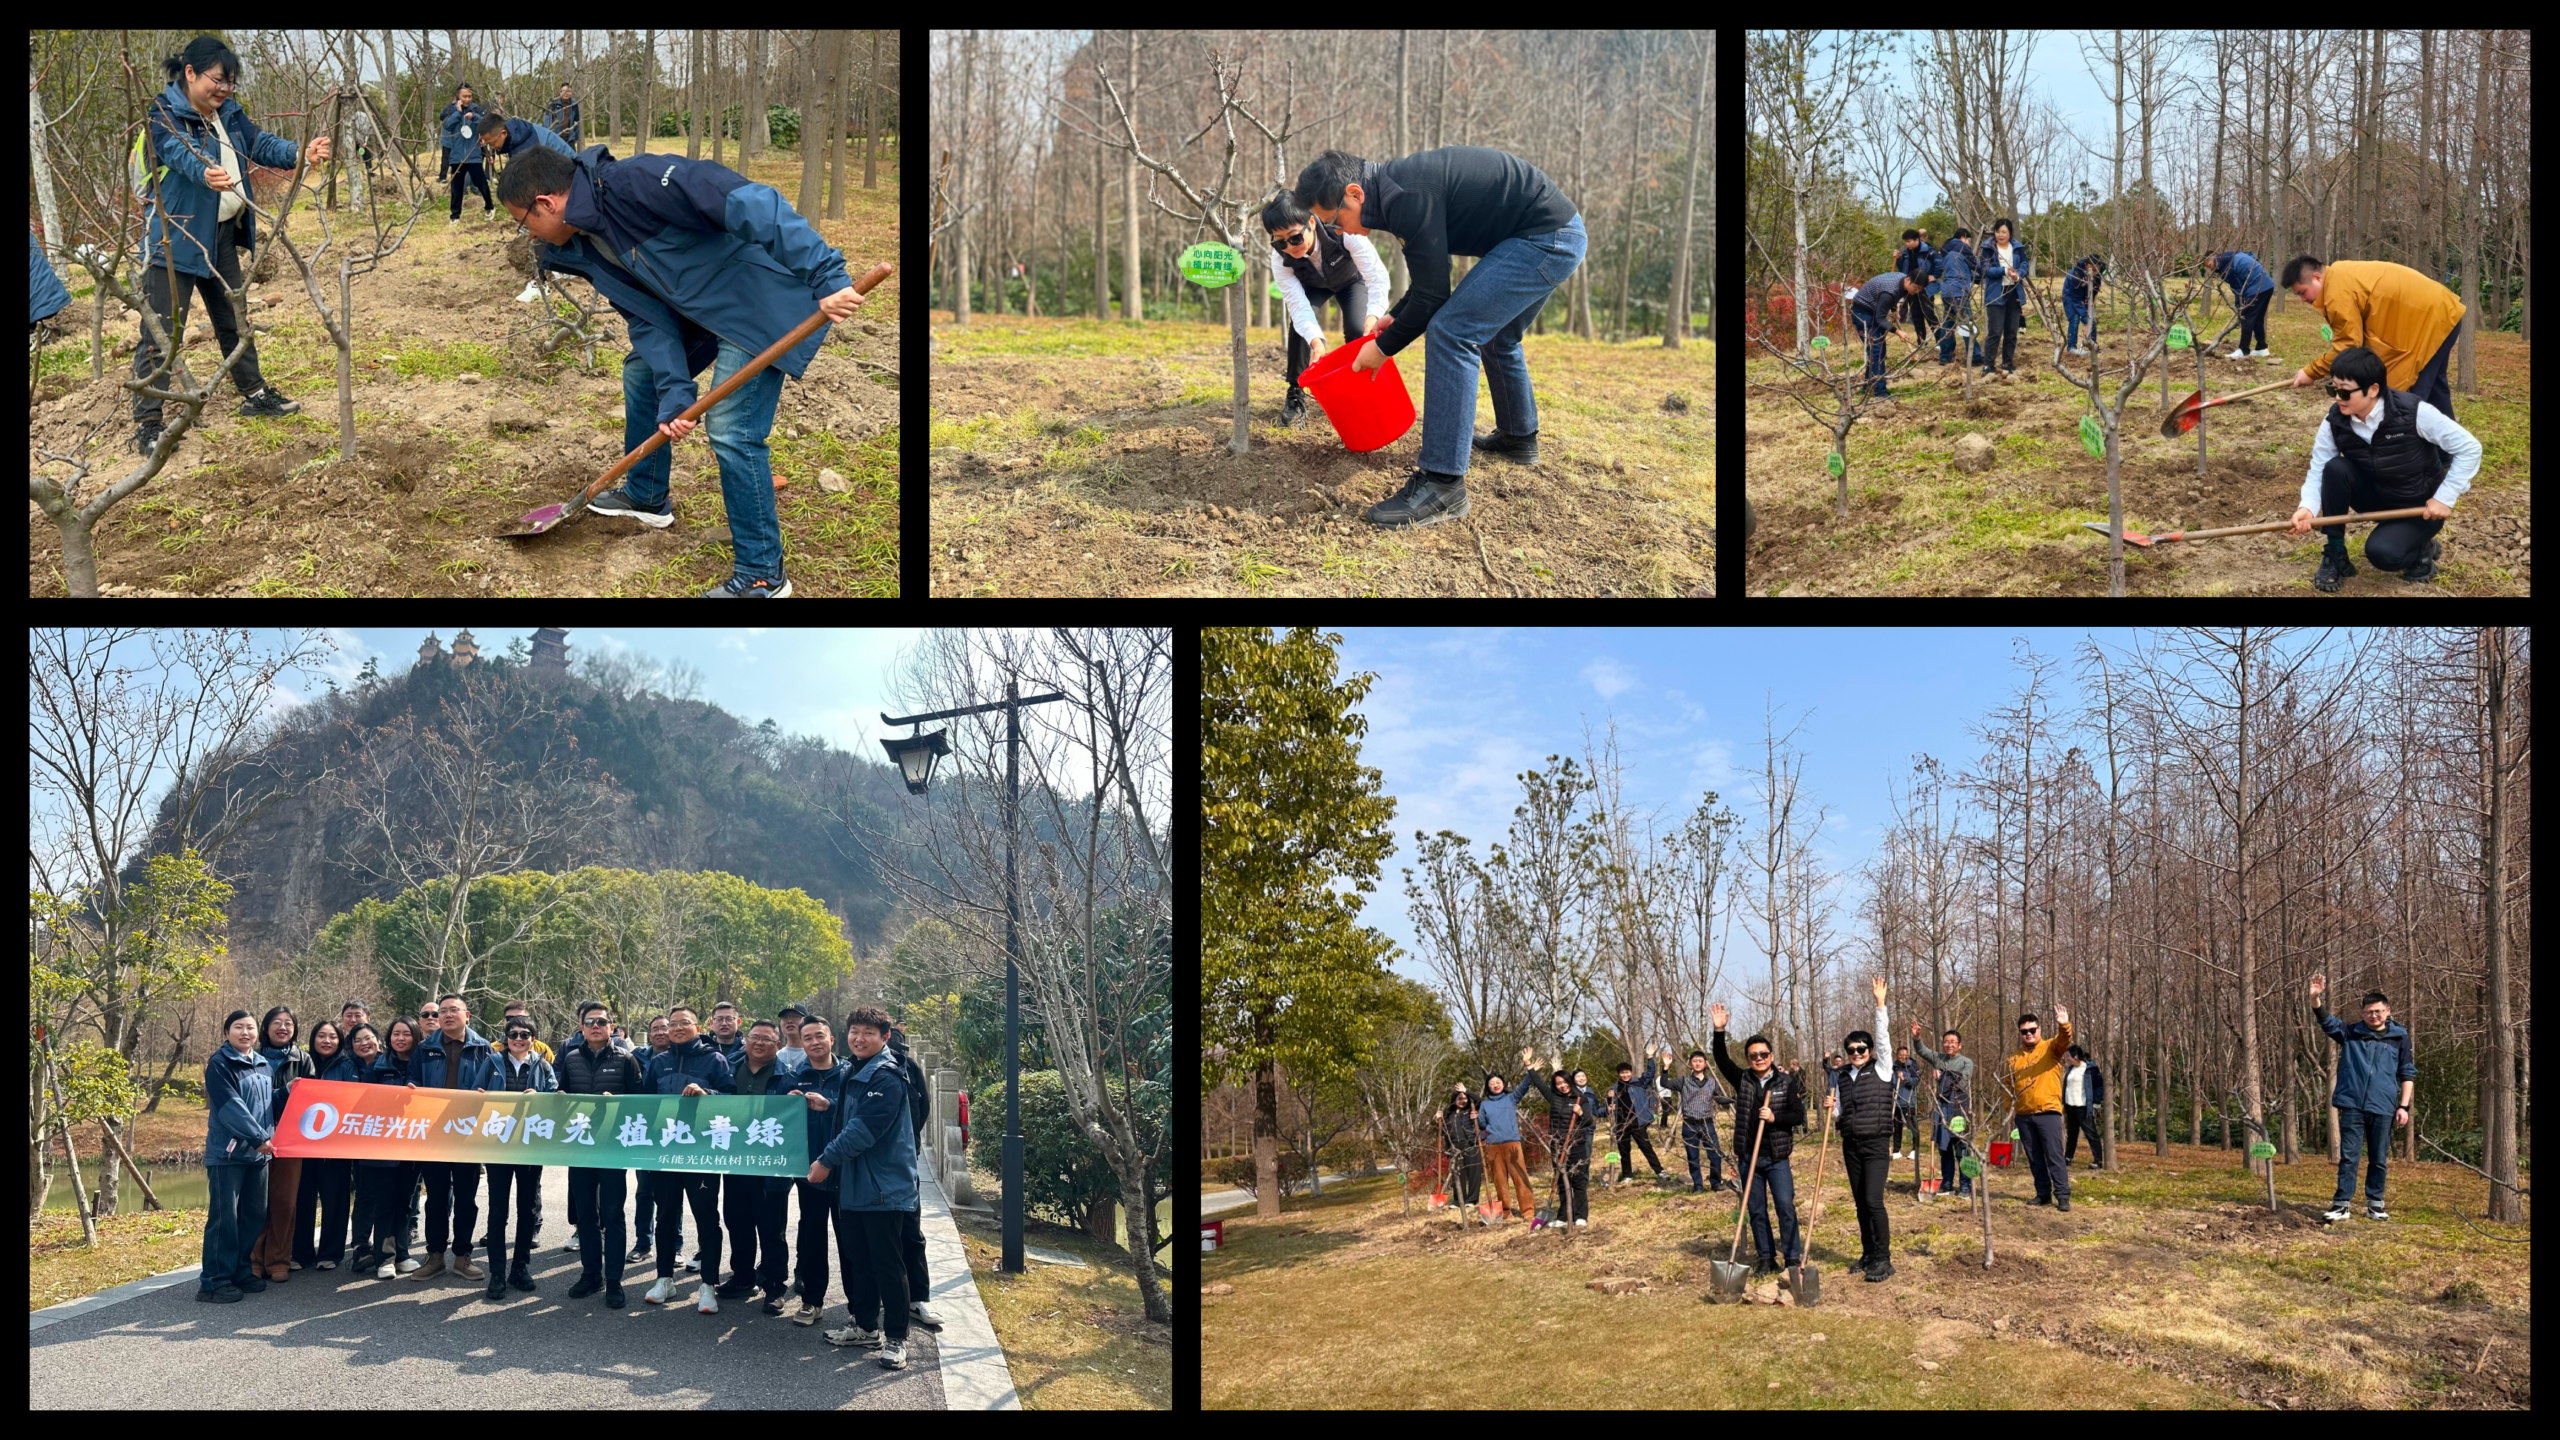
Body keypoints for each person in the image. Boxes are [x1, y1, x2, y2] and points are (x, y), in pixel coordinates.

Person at [500, 144, 866, 597]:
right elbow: (647, 318)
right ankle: (647, 495)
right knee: (641, 373)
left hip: (756, 304)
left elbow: (752, 201)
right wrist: (675, 392)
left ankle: (762, 577)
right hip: (699, 314)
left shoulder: (638, 183)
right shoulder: (582, 245)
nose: (529, 235)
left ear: (546, 204)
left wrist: (826, 275)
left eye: (523, 222)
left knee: (732, 430)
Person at [1293, 146, 1586, 528]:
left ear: (1354, 194)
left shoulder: (1405, 198)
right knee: (1494, 335)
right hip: (1548, 235)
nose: (1336, 231)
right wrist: (1393, 316)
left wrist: (1381, 349)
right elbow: (1430, 279)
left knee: (1452, 330)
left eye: (1332, 220)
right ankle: (1518, 438)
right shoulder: (1397, 190)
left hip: (1547, 239)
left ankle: (1443, 485)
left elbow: (1435, 298)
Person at [131, 36, 328, 457]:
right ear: (190, 73)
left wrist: (299, 152)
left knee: (233, 318)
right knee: (160, 329)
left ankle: (254, 394)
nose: (223, 90)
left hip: (220, 234)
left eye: (230, 83)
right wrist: (205, 172)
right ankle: (149, 423)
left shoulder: (228, 115)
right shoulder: (164, 117)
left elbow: (258, 145)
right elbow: (178, 155)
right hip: (176, 238)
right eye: (217, 80)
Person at [2285, 344, 2477, 592]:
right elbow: (2319, 468)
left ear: (2373, 389)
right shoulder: (2335, 421)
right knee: (2334, 468)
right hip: (2377, 498)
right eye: (2332, 388)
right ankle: (2335, 553)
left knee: (2383, 555)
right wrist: (2307, 507)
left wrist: (2444, 498)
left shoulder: (2413, 412)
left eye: (2345, 392)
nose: (2336, 397)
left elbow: (2470, 448)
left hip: (2418, 508)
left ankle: (2422, 548)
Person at [811, 1005, 920, 1369]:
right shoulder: (858, 1071)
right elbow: (853, 1113)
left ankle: (897, 1339)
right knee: (859, 1260)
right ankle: (866, 1327)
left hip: (883, 1188)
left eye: (868, 1033)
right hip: (856, 1186)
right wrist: (830, 1105)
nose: (859, 1038)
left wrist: (825, 1162)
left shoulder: (886, 1076)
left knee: (888, 1263)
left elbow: (864, 1129)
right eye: (854, 1032)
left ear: (885, 1037)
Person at [1260, 191, 1390, 429]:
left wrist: (1373, 315)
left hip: (1351, 280)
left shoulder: (1344, 231)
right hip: (1313, 285)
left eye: (1295, 238)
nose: (1289, 247)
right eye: (1280, 241)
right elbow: (1298, 306)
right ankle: (1296, 392)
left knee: (1358, 328)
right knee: (1300, 329)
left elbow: (1377, 277)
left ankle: (1361, 391)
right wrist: (1316, 341)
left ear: (1311, 222)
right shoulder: (1280, 258)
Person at [2281, 255, 2466, 419]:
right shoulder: (2339, 275)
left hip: (2429, 319)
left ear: (2317, 278)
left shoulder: (2336, 293)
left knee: (2406, 398)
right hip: (2440, 312)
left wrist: (2311, 371)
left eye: (2302, 292)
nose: (2302, 300)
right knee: (2434, 390)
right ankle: (2445, 453)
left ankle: (2411, 451)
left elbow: (2348, 346)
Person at [643, 1005, 734, 1312]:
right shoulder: (659, 1062)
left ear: (698, 1027)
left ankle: (709, 1284)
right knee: (666, 1216)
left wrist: (708, 1093)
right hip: (666, 1152)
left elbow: (733, 1098)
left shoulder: (715, 1059)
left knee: (707, 1217)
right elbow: (644, 1104)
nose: (678, 1028)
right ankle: (664, 1278)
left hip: (702, 1154)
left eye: (685, 1023)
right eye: (673, 1024)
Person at [554, 1001, 644, 1306]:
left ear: (612, 1028)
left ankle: (614, 1279)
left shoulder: (626, 1059)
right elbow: (560, 1095)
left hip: (612, 1148)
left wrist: (617, 1101)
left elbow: (640, 1103)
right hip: (579, 1147)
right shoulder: (570, 1058)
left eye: (601, 1022)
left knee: (613, 1214)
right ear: (581, 1027)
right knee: (585, 1216)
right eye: (590, 1022)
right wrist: (556, 1098)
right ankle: (590, 1274)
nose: (595, 1026)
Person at [2310, 973, 2416, 1223]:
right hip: (2353, 1105)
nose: (2373, 1016)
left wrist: (2404, 1106)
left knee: (2378, 1158)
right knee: (2349, 1157)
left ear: (2387, 1010)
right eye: (2368, 1012)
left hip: (2384, 1107)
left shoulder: (2400, 1038)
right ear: (2362, 1013)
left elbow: (2407, 1072)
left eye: (2378, 1011)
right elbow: (2326, 1022)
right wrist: (2315, 998)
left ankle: (2375, 1204)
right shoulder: (2350, 1033)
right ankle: (2341, 1204)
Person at [1710, 1006, 1806, 1279]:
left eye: (1764, 1054)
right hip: (1748, 1157)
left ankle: (1791, 1257)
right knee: (1756, 1210)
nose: (1759, 1058)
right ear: (1748, 1059)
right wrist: (1719, 1030)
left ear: (1772, 1056)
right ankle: (1766, 1258)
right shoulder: (1742, 1080)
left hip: (1777, 1158)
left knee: (1785, 1206)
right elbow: (1720, 1058)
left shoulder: (1785, 1082)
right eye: (1753, 1056)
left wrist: (1775, 1117)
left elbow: (1798, 1116)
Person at [412, 994, 499, 1281]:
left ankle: (463, 1256)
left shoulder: (482, 1048)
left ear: (467, 1015)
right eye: (442, 1011)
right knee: (435, 1198)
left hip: (467, 1136)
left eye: (454, 1010)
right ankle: (435, 1256)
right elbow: (412, 1083)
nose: (447, 1015)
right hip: (434, 1135)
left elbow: (494, 1088)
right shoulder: (425, 1048)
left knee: (466, 1198)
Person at [198, 1009, 275, 1303]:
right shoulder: (219, 1064)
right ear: (227, 1032)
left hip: (258, 1156)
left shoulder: (263, 1064)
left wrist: (287, 1092)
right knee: (224, 1219)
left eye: (250, 1028)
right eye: (238, 1027)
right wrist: (258, 1138)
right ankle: (214, 1281)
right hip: (228, 1154)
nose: (245, 1033)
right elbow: (232, 1108)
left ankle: (240, 1271)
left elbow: (266, 1104)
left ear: (258, 1033)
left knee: (253, 1215)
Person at [722, 1019, 797, 1314]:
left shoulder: (789, 1076)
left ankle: (775, 1285)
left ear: (777, 1045)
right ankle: (743, 1277)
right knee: (737, 1221)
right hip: (736, 1160)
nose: (760, 1043)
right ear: (746, 1040)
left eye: (768, 1039)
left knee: (771, 1228)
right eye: (755, 1037)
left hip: (771, 1164)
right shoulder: (728, 1068)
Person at [478, 1020, 557, 1300]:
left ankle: (520, 1268)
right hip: (498, 1145)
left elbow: (556, 1097)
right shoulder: (491, 1062)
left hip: (530, 1146)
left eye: (525, 1035)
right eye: (513, 1034)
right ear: (506, 1037)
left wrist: (541, 1096)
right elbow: (476, 1095)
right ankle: (497, 1272)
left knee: (527, 1209)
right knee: (498, 1211)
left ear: (534, 1039)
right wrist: (480, 1097)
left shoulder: (543, 1065)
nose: (518, 1039)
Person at [1827, 978, 1898, 1283]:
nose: (1857, 1053)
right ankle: (1868, 1252)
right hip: (1851, 1144)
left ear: (1869, 1050)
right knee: (1858, 1202)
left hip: (1876, 1143)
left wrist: (1880, 1005)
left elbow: (1883, 1040)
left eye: (1861, 1048)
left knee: (1873, 1200)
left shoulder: (1882, 1068)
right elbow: (1843, 1110)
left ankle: (1884, 1259)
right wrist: (1833, 1111)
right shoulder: (1841, 1076)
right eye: (1852, 1049)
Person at [786, 1016, 853, 1326]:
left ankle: (859, 1305)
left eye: (819, 1036)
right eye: (808, 1037)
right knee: (812, 1237)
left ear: (831, 1040)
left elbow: (859, 1113)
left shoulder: (849, 1074)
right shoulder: (794, 1076)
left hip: (845, 1171)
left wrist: (830, 1105)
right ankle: (813, 1301)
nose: (814, 1042)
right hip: (810, 1171)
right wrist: (786, 1104)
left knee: (851, 1240)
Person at [248, 1006, 315, 1283]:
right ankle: (253, 1259)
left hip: (291, 1138)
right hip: (256, 1136)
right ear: (265, 1028)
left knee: (285, 1202)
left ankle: (278, 1260)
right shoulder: (251, 1057)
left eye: (288, 1023)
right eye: (277, 1022)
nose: (283, 1028)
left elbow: (312, 1099)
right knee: (256, 1201)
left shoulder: (303, 1059)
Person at [884, 1021, 943, 1331]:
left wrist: (909, 1142)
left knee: (910, 1228)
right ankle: (885, 1294)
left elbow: (923, 1106)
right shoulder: (856, 1070)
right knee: (878, 1234)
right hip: (871, 1165)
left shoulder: (910, 1069)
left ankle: (918, 1296)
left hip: (905, 1161)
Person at [294, 1020, 359, 1271]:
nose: (327, 1041)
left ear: (340, 1040)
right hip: (303, 1143)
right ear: (313, 1039)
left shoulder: (347, 1065)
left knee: (335, 1200)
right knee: (303, 1199)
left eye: (332, 1036)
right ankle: (300, 1253)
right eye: (321, 1036)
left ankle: (330, 1253)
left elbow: (352, 1099)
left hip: (335, 1144)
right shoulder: (303, 1061)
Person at [1998, 1007, 2075, 1211]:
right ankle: (2042, 1194)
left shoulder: (2051, 1048)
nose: (2029, 1033)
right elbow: (2007, 1086)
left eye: (2032, 1029)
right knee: (2034, 1158)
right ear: (2020, 1034)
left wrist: (2064, 1024)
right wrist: (2010, 1108)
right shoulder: (2013, 1059)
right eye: (2024, 1031)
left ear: (2039, 1029)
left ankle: (2062, 1194)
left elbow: (2064, 1040)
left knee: (2054, 1155)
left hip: (2048, 1112)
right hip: (2023, 1115)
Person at [343, 1024, 404, 1278]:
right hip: (358, 1141)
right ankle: (360, 1248)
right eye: (358, 1040)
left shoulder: (388, 1064)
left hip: (389, 1142)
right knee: (365, 1195)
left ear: (379, 1041)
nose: (364, 1043)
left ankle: (389, 1254)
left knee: (389, 1199)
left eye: (369, 1038)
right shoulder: (347, 1066)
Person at [629, 1013, 689, 1267]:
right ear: (649, 1034)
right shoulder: (636, 1058)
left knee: (672, 1195)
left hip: (676, 1134)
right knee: (644, 1191)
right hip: (645, 1133)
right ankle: (643, 1243)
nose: (661, 1032)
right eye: (655, 1029)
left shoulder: (683, 1057)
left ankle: (675, 1246)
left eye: (666, 1027)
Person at [1521, 1055, 1594, 1228]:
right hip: (1557, 1145)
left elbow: (1590, 1122)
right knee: (1561, 1180)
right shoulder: (1554, 1098)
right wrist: (1528, 1066)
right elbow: (1538, 1084)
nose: (1562, 1086)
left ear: (1570, 1081)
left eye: (1564, 1082)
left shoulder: (1580, 1099)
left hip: (1576, 1145)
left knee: (1578, 1181)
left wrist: (1581, 1113)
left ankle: (1581, 1215)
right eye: (1558, 1083)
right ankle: (1562, 1216)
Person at [1910, 1020, 1975, 1202]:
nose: (1949, 1045)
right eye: (1946, 1042)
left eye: (1953, 1042)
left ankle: (1965, 1185)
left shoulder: (1966, 1062)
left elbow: (1963, 1081)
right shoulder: (1939, 1058)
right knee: (1943, 1147)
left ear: (1959, 1045)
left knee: (1962, 1148)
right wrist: (1917, 1038)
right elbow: (1922, 1051)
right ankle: (1947, 1183)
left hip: (1959, 1106)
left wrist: (1943, 1075)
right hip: (1941, 1107)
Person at [1659, 1044, 1728, 1195]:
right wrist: (1666, 1067)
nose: (1697, 1063)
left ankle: (1716, 1182)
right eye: (1694, 1061)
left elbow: (1717, 1097)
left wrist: (1731, 1100)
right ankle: (1698, 1185)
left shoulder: (1711, 1082)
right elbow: (1664, 1083)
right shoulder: (1684, 1081)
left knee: (1715, 1155)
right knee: (1692, 1156)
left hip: (1707, 1123)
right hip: (1689, 1125)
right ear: (1691, 1063)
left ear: (1705, 1064)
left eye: (1700, 1061)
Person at [1474, 1058, 1537, 1222]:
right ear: (1488, 1086)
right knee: (1500, 1180)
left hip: (1512, 1144)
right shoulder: (1485, 1105)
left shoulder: (1511, 1098)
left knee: (1520, 1177)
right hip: (1494, 1147)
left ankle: (1528, 1210)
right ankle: (1506, 1212)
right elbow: (1481, 1125)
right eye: (1492, 1083)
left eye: (1498, 1081)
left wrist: (1529, 1068)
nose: (1495, 1084)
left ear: (1503, 1083)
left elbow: (1525, 1086)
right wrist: (1482, 1134)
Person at [1849, 270, 1924, 398]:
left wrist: (1894, 309)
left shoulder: (1901, 280)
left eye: (1919, 290)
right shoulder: (1889, 291)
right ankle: (1880, 392)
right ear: (1908, 280)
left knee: (1877, 351)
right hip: (1863, 313)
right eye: (1915, 288)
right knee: (1876, 349)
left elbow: (1893, 299)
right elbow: (1879, 319)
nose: (1916, 291)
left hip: (1873, 310)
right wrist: (1898, 331)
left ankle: (1868, 387)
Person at [1977, 218, 2029, 375]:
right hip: (1996, 293)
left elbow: (2024, 265)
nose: (2001, 235)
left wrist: (2017, 275)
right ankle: (1988, 365)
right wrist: (2004, 271)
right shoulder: (1988, 248)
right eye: (1998, 231)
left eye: (2004, 232)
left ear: (2010, 233)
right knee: (1995, 331)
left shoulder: (2017, 247)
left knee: (2011, 331)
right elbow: (1985, 269)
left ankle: (2007, 362)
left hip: (2014, 292)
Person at [2203, 248, 2277, 358]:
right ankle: (2262, 348)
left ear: (2214, 258)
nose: (2211, 269)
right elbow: (2253, 256)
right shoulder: (2233, 254)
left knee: (2246, 318)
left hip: (2257, 287)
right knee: (2257, 318)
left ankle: (2243, 350)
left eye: (2209, 265)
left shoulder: (2225, 267)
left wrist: (2239, 305)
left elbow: (2238, 289)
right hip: (2267, 285)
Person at [1609, 1053, 1667, 1186]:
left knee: (1646, 1148)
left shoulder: (1639, 1083)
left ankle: (1660, 1171)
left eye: (1627, 1072)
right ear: (1619, 1074)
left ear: (1631, 1072)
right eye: (1622, 1073)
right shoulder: (1615, 1088)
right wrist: (1610, 1104)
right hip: (1622, 1124)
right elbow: (1609, 1105)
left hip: (1638, 1123)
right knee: (1624, 1151)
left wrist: (1650, 1058)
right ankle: (1627, 1175)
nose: (1625, 1075)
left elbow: (1650, 1073)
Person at [440, 84, 493, 225]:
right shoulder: (451, 110)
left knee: (481, 183)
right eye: (464, 96)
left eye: (469, 96)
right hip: (457, 155)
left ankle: (489, 207)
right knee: (456, 187)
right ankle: (455, 216)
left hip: (473, 154)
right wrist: (458, 113)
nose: (467, 99)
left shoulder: (477, 109)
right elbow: (447, 126)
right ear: (458, 96)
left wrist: (474, 117)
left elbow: (486, 124)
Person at [1935, 227, 1979, 367]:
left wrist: (1975, 278)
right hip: (1959, 291)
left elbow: (1959, 269)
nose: (1969, 244)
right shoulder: (1962, 247)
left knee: (1948, 325)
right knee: (1967, 325)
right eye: (1968, 240)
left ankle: (1944, 356)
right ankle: (1975, 356)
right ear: (1963, 238)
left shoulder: (1945, 249)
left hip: (1946, 291)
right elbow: (1976, 265)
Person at [476, 107, 576, 164]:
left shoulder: (527, 148)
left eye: (492, 143)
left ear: (503, 133)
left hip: (569, 170)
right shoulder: (516, 133)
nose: (493, 147)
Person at [1441, 1084, 1485, 1211]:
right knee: (1457, 1173)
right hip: (1455, 1147)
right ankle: (1458, 1200)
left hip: (1470, 1144)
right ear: (1454, 1100)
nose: (1462, 1101)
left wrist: (1466, 1091)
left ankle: (1472, 1199)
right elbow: (1444, 1131)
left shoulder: (1471, 1110)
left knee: (1473, 1172)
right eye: (1459, 1098)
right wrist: (1439, 1118)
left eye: (1465, 1098)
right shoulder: (1448, 1114)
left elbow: (1479, 1100)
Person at [2062, 1046, 2107, 1167]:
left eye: (2068, 1056)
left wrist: (2096, 1102)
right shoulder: (2070, 1069)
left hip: (2083, 1107)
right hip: (2070, 1106)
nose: (2067, 1059)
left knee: (2090, 1133)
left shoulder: (2090, 1068)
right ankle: (2067, 1158)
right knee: (2071, 1134)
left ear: (2076, 1056)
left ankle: (2098, 1160)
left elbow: (2099, 1086)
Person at [1896, 229, 1938, 346]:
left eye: (1909, 241)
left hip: (1925, 287)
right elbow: (1902, 268)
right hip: (1911, 288)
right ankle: (1921, 341)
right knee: (1916, 315)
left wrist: (1934, 276)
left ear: (1917, 240)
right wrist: (1898, 258)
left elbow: (1940, 263)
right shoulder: (1905, 253)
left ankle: (1940, 341)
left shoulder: (1928, 251)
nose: (1907, 244)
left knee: (1929, 314)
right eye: (1906, 242)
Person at [2061, 254, 2104, 355]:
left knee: (2092, 321)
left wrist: (2089, 317)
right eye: (2092, 269)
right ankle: (2071, 348)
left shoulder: (2099, 271)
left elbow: (2094, 292)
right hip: (2070, 296)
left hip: (2086, 296)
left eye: (2096, 270)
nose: (2094, 272)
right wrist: (2085, 320)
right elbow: (2076, 299)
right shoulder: (2076, 275)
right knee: (2075, 319)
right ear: (2087, 265)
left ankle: (2093, 345)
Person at [1891, 1044, 1920, 1161]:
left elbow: (1916, 1081)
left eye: (1905, 1055)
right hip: (1896, 1102)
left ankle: (1915, 1150)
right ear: (1897, 1056)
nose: (1903, 1057)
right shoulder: (1892, 1067)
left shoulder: (1912, 1066)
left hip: (1908, 1102)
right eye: (1901, 1055)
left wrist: (1905, 1079)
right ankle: (1896, 1150)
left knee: (1912, 1127)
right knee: (1896, 1128)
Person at [707, 1001, 748, 1068]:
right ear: (711, 1023)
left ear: (738, 1022)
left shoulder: (747, 1051)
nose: (724, 1023)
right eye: (719, 1019)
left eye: (729, 1019)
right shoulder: (703, 1050)